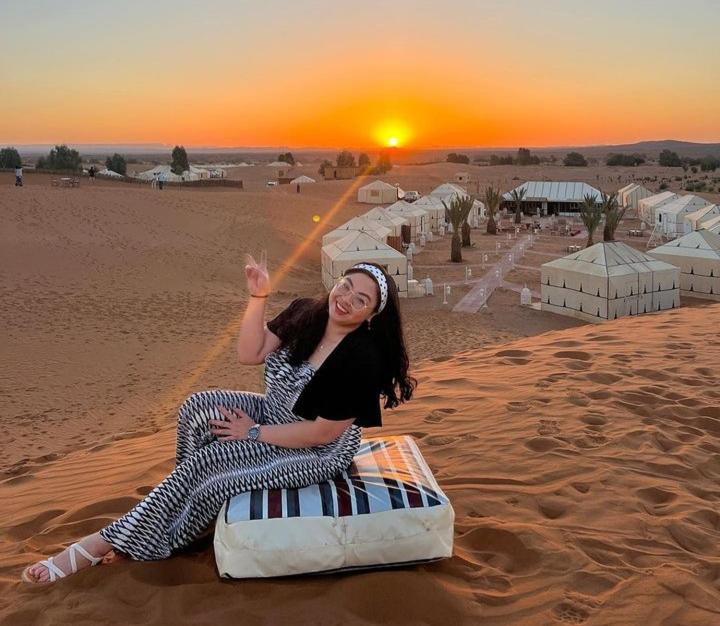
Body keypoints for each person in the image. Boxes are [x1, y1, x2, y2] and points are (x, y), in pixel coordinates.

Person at [22, 256, 416, 583]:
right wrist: (258, 295)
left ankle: (104, 543)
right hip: (275, 413)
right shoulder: (305, 313)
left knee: (211, 461)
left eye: (360, 299)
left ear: (369, 317)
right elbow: (250, 351)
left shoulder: (362, 357)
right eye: (346, 285)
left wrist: (253, 432)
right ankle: (185, 518)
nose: (346, 299)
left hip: (318, 450)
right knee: (199, 410)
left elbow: (322, 432)